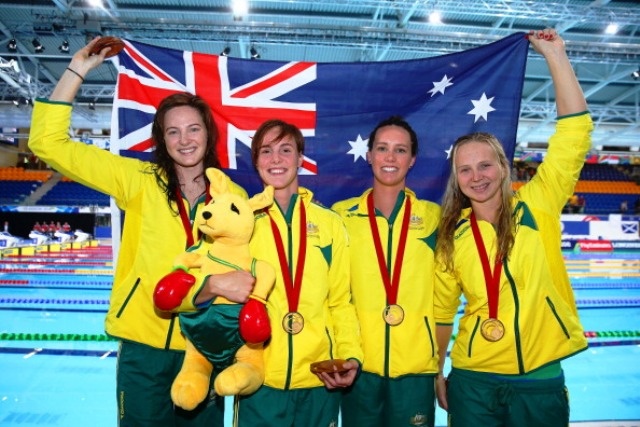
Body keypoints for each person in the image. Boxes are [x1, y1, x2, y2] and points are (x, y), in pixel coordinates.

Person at [27, 37, 253, 427]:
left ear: (208, 134)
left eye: (193, 129)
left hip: (202, 351)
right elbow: (47, 142)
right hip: (144, 347)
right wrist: (77, 69)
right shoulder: (138, 181)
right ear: (161, 139)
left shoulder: (233, 197)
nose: (185, 140)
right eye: (173, 132)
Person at [434, 28, 592, 427]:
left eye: (485, 165)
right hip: (473, 379)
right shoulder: (453, 235)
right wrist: (436, 369)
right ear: (456, 179)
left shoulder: (538, 203)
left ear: (504, 168)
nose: (477, 176)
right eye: (465, 169)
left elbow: (574, 137)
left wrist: (556, 56)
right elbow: (441, 312)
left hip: (539, 378)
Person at [236, 119, 363, 427]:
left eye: (285, 150)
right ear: (256, 162)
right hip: (259, 381)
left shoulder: (330, 224)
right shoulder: (242, 222)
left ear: (300, 159)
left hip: (319, 379)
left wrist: (351, 356)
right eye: (266, 151)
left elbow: (340, 302)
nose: (276, 159)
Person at [332, 116, 441, 427]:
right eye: (382, 148)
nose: (390, 157)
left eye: (400, 150)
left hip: (415, 372)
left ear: (412, 160)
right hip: (358, 369)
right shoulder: (341, 217)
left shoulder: (434, 218)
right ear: (369, 156)